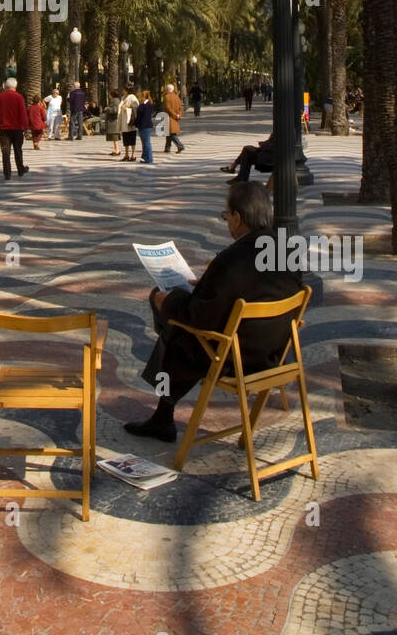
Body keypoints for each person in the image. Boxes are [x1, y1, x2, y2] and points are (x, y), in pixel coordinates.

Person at [125, 183, 301, 441]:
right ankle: (163, 410)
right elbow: (251, 291)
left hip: (235, 358)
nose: (227, 221)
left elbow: (200, 316)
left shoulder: (232, 259)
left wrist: (168, 300)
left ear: (238, 217)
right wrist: (208, 285)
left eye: (226, 215)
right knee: (175, 330)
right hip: (272, 352)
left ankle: (163, 416)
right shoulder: (286, 250)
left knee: (171, 323)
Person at [0, 77, 29, 180]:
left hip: (3, 129)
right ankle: (20, 169)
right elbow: (23, 114)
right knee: (18, 150)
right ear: (15, 86)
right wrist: (25, 128)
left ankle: (7, 173)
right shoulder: (19, 97)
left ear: (5, 86)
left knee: (5, 151)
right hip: (17, 129)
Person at [162, 83, 185, 154]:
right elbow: (181, 108)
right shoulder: (176, 97)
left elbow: (168, 108)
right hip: (175, 118)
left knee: (172, 133)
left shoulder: (166, 97)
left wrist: (175, 115)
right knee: (168, 132)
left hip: (169, 117)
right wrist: (179, 115)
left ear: (167, 89)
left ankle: (180, 146)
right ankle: (167, 148)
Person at [119, 88, 139, 161]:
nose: (122, 91)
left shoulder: (132, 97)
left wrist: (127, 108)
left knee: (132, 138)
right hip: (124, 121)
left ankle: (133, 155)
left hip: (131, 121)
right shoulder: (123, 98)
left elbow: (136, 107)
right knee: (125, 138)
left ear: (127, 90)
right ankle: (126, 154)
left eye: (124, 90)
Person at [136, 88, 154, 164]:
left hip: (144, 126)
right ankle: (144, 157)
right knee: (145, 142)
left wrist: (136, 123)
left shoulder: (144, 105)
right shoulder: (149, 104)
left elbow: (141, 116)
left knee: (146, 143)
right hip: (147, 125)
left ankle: (149, 158)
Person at [104, 89, 122, 156]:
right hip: (113, 121)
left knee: (115, 137)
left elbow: (115, 110)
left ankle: (117, 150)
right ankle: (115, 149)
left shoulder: (115, 100)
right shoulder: (116, 100)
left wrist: (107, 109)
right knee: (114, 137)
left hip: (113, 121)